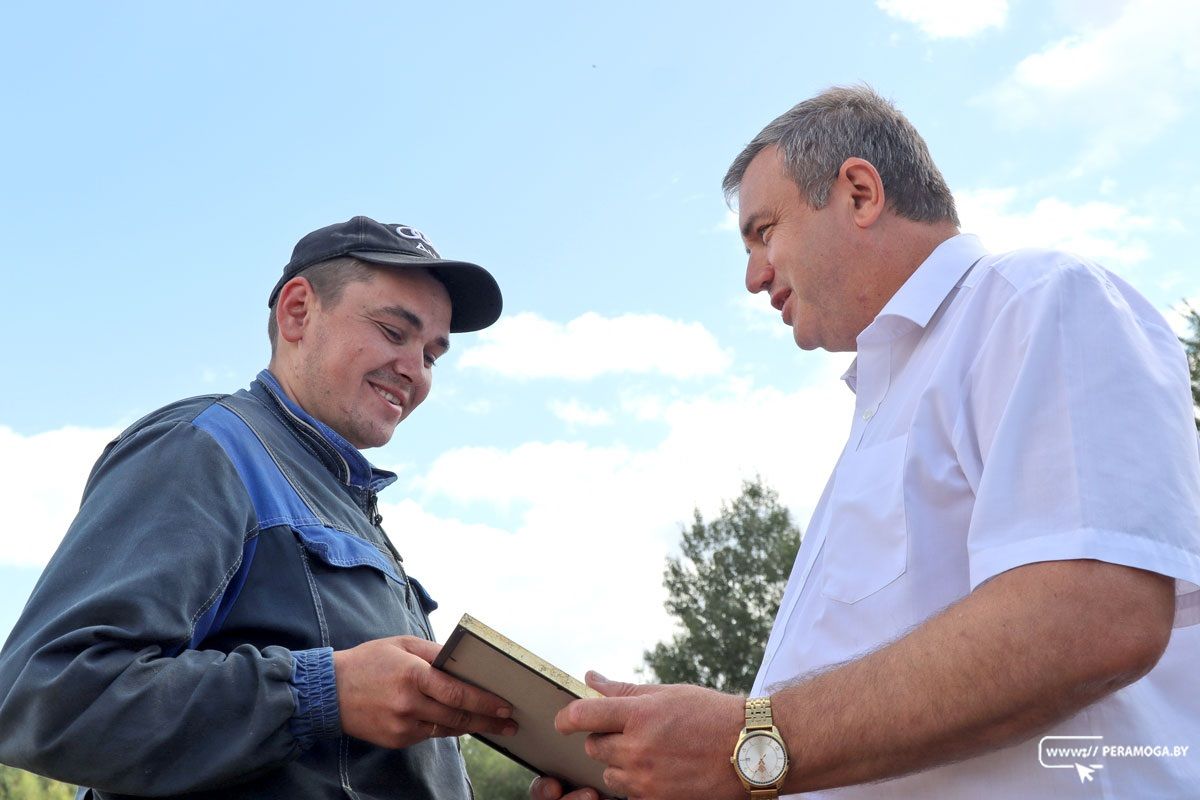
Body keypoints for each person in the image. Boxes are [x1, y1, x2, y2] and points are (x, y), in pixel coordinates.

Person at [539, 86, 1200, 799]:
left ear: (859, 192)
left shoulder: (1037, 299)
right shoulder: (886, 407)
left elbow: (1094, 613)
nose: (754, 275)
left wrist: (746, 742)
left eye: (764, 231)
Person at [0, 216, 529, 799]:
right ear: (298, 311)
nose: (415, 370)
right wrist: (322, 693)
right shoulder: (206, 449)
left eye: (432, 354)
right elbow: (44, 697)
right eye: (393, 331)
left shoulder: (348, 504)